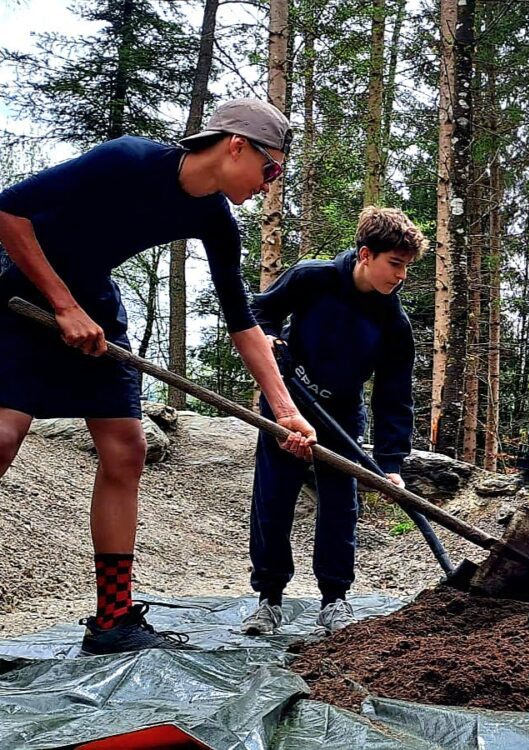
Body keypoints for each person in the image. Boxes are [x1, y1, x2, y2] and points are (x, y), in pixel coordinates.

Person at [0, 98, 317, 655]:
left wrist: (286, 412)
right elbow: (8, 213)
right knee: (3, 437)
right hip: (19, 297)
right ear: (235, 145)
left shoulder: (214, 220)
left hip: (94, 307)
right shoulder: (127, 160)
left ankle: (113, 618)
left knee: (127, 448)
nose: (271, 185)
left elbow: (243, 323)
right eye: (271, 170)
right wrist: (63, 305)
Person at [240, 206, 427, 637]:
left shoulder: (393, 322)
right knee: (274, 499)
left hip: (342, 415)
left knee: (341, 506)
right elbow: (258, 312)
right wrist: (270, 339)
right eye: (394, 264)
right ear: (365, 255)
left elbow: (394, 396)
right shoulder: (312, 277)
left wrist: (391, 464)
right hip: (288, 404)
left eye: (406, 267)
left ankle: (334, 600)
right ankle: (269, 600)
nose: (401, 276)